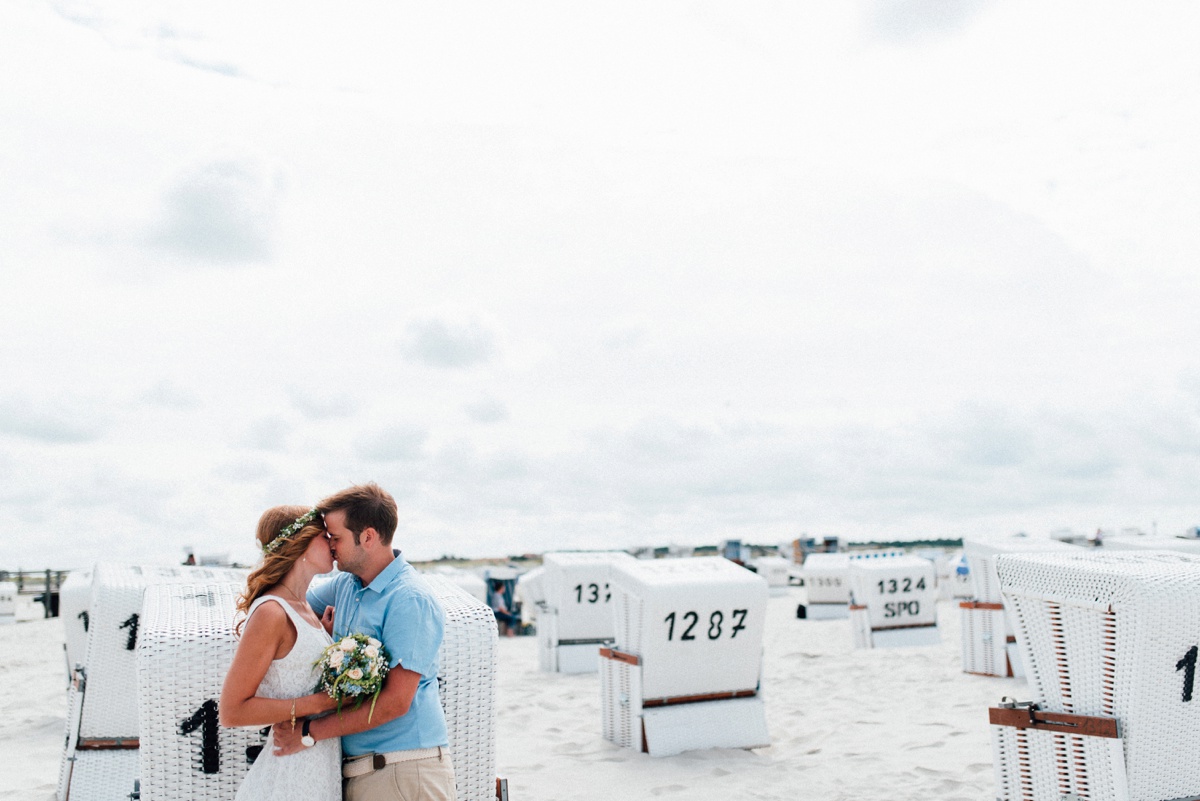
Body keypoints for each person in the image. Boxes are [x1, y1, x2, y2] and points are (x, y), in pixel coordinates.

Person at [273, 483, 456, 801]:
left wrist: (306, 733)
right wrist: (320, 630)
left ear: (368, 537)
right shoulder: (346, 584)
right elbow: (288, 607)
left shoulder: (409, 599)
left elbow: (396, 702)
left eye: (336, 537)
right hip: (364, 772)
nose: (330, 546)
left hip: (404, 771)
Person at [219, 505, 341, 801]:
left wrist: (325, 638)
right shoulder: (271, 612)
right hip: (289, 778)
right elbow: (231, 711)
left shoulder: (305, 610)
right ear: (301, 544)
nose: (333, 543)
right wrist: (321, 702)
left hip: (319, 768)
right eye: (325, 536)